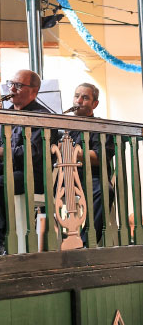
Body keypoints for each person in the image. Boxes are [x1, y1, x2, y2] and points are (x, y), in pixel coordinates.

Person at [0, 69, 57, 254]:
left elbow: (35, 152)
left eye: (18, 85)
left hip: (33, 175)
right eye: (11, 83)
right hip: (5, 171)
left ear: (34, 92)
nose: (11, 88)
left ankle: (4, 239)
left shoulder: (42, 116)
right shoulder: (5, 116)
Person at [66, 83, 114, 244]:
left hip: (90, 177)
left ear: (95, 104)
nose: (78, 101)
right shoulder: (63, 124)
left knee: (104, 191)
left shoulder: (101, 126)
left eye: (85, 98)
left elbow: (100, 157)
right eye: (76, 96)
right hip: (63, 177)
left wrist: (71, 151)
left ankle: (87, 243)